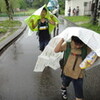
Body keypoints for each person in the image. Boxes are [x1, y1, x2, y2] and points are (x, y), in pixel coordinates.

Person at [54, 36, 91, 100]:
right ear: (72, 40)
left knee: (79, 96)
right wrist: (62, 40)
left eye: (80, 44)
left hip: (79, 75)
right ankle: (63, 88)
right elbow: (56, 50)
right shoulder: (68, 45)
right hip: (67, 71)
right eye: (76, 44)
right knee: (65, 83)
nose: (78, 46)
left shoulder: (86, 48)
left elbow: (93, 56)